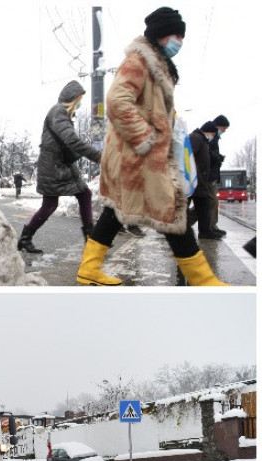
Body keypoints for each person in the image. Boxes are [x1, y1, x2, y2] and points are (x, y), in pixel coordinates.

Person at [77, 7, 227, 286]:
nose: (180, 42)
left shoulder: (156, 66)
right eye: (177, 36)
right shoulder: (139, 61)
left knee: (117, 212)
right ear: (161, 35)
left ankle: (89, 268)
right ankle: (202, 279)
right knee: (171, 212)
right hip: (136, 157)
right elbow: (117, 101)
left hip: (140, 159)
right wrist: (148, 137)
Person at [17, 81, 101, 254]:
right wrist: (98, 156)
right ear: (72, 99)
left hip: (61, 164)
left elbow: (67, 142)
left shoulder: (63, 114)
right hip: (53, 166)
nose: (80, 103)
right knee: (51, 204)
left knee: (83, 194)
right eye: (79, 100)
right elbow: (71, 140)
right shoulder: (58, 112)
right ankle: (25, 238)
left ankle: (90, 238)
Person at [188, 121, 219, 238]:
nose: (213, 137)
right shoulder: (196, 138)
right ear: (209, 131)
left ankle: (205, 232)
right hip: (194, 180)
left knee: (203, 207)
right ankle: (178, 232)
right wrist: (198, 176)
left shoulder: (203, 140)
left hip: (199, 180)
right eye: (213, 134)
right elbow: (190, 158)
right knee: (191, 207)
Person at [206, 114, 230, 237]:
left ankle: (211, 226)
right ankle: (211, 228)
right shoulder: (211, 136)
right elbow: (207, 152)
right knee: (212, 202)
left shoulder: (214, 137)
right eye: (224, 128)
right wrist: (218, 157)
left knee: (210, 202)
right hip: (209, 176)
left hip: (212, 175)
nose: (224, 131)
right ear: (218, 125)